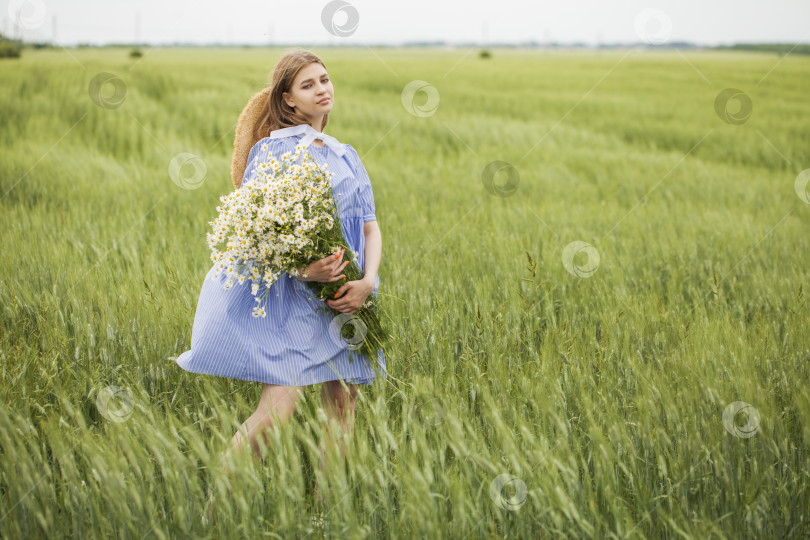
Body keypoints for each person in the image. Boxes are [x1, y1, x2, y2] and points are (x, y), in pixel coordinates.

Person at [173, 49, 386, 524]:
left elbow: (370, 227)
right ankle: (214, 514)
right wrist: (304, 272)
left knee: (343, 407)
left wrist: (367, 282)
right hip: (295, 303)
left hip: (347, 301)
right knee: (277, 410)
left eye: (325, 79)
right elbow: (257, 234)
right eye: (308, 85)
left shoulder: (346, 155)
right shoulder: (270, 153)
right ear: (288, 101)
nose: (322, 89)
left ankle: (323, 518)